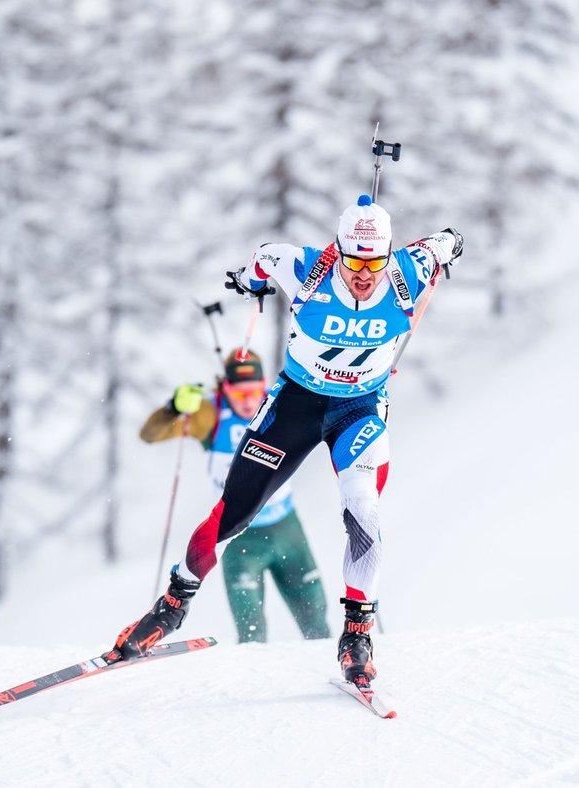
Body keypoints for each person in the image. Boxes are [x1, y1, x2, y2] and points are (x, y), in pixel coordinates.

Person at [109, 193, 463, 688]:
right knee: (233, 515)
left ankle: (357, 635)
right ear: (337, 250)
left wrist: (453, 243)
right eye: (354, 261)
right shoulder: (303, 267)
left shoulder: (410, 270)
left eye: (374, 263)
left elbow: (442, 243)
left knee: (363, 511)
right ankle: (172, 604)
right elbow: (262, 259)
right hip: (296, 406)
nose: (364, 273)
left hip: (357, 410)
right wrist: (248, 282)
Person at [138, 349, 330, 643]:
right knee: (251, 630)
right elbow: (150, 434)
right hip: (240, 538)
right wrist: (174, 408)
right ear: (225, 389)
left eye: (255, 392)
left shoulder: (282, 400)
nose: (249, 401)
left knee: (315, 617)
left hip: (286, 530)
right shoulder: (210, 415)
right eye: (239, 395)